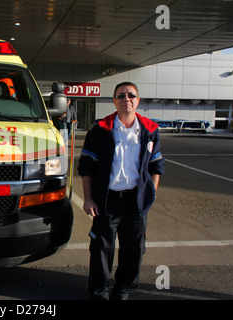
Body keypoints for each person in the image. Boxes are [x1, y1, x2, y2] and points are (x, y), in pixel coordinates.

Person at [78, 82, 164, 300]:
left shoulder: (150, 130)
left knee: (134, 251)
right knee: (100, 250)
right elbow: (86, 168)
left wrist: (150, 194)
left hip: (135, 202)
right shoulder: (100, 130)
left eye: (131, 95)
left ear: (138, 100)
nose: (127, 98)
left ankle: (124, 289)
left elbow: (156, 166)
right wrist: (88, 199)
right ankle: (99, 291)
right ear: (114, 101)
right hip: (107, 201)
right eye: (121, 95)